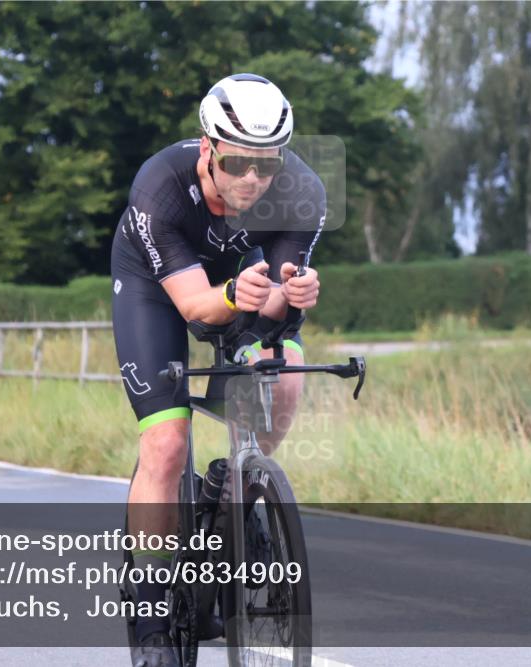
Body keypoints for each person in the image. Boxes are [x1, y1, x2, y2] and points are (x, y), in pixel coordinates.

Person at [111, 73, 325, 667]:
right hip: (159, 288)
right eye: (236, 164)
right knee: (165, 443)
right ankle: (153, 619)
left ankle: (240, 486)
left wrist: (296, 293)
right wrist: (235, 292)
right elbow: (196, 309)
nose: (252, 180)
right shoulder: (159, 186)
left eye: (267, 166)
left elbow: (276, 303)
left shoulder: (302, 191)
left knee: (286, 375)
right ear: (208, 149)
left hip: (242, 284)